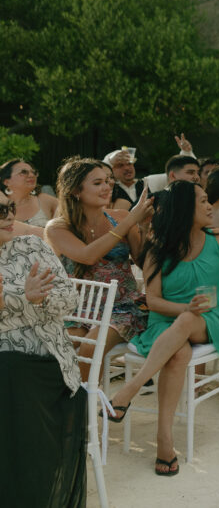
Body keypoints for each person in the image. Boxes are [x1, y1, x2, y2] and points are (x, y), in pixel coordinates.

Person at [106, 181, 219, 476]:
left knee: (187, 322)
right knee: (177, 354)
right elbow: (154, 301)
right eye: (202, 201)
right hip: (165, 320)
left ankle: (129, 390)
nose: (210, 206)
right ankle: (164, 440)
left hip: (209, 319)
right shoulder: (159, 249)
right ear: (185, 209)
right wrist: (184, 309)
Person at [0, 191, 87, 506]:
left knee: (7, 368)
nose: (9, 216)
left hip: (44, 360)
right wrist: (22, 298)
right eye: (0, 210)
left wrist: (37, 298)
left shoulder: (32, 247)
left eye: (11, 208)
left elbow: (69, 299)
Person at [46, 157, 154, 378]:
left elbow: (143, 262)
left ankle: (79, 403)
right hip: (77, 308)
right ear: (76, 190)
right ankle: (61, 401)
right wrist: (130, 220)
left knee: (89, 346)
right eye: (97, 183)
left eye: (108, 181)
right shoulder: (58, 227)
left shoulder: (121, 218)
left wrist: (142, 227)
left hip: (123, 307)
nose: (107, 187)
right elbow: (88, 256)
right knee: (55, 350)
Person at [104, 133, 197, 208]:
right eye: (120, 165)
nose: (127, 168)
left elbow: (179, 175)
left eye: (129, 163)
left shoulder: (148, 182)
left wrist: (186, 153)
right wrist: (109, 161)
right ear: (111, 169)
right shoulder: (108, 187)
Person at [0, 158, 59, 236]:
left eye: (34, 172)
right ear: (6, 181)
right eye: (23, 172)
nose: (32, 175)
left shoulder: (45, 200)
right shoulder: (1, 204)